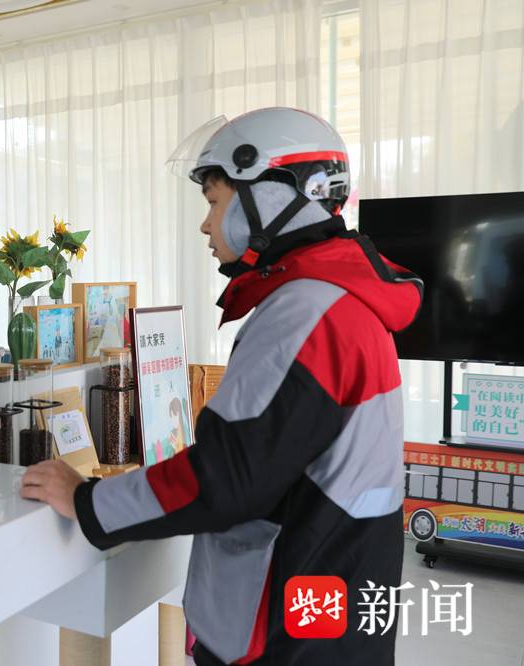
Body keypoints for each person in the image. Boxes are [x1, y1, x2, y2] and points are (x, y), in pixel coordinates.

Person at [21, 107, 423, 665]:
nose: (206, 225)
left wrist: (88, 502)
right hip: (332, 603)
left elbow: (226, 479)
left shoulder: (305, 313)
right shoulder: (340, 300)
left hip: (286, 631)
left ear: (273, 195)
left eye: (214, 201)